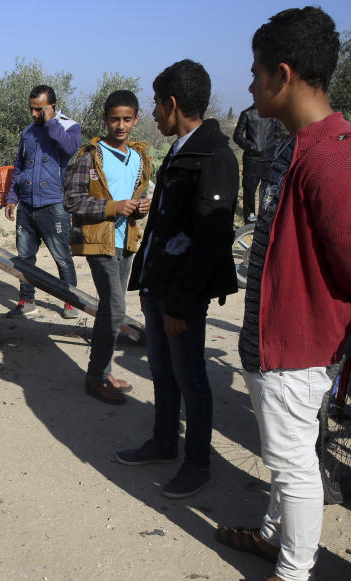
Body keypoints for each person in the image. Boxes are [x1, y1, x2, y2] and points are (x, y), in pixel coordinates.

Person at [216, 8, 351, 581]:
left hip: (296, 343)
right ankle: (273, 535)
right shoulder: (302, 145)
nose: (251, 83)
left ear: (282, 74)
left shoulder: (331, 156)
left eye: (256, 73)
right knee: (288, 453)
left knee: (291, 464)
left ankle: (294, 578)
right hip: (278, 341)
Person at [115, 60, 238, 499]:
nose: (152, 114)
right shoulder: (183, 149)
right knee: (163, 372)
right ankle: (164, 442)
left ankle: (198, 463)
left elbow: (209, 239)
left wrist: (183, 303)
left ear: (172, 103)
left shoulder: (214, 157)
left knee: (191, 378)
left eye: (155, 105)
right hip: (157, 286)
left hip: (180, 295)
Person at [63, 90, 151, 404]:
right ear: (105, 119)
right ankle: (96, 376)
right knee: (115, 310)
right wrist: (114, 207)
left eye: (127, 119)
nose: (121, 125)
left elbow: (136, 194)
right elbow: (72, 201)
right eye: (115, 119)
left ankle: (103, 370)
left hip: (126, 241)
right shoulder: (89, 156)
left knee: (110, 311)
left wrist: (139, 206)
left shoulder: (139, 156)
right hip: (99, 242)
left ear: (137, 118)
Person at [4, 85, 81, 320]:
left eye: (39, 110)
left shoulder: (69, 127)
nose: (34, 115)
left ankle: (71, 300)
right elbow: (19, 166)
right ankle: (27, 300)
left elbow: (71, 147)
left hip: (53, 204)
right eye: (32, 109)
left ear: (52, 107)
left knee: (61, 256)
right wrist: (12, 198)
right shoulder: (27, 132)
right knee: (25, 257)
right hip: (27, 204)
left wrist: (51, 123)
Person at [233, 105, 286, 222]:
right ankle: (249, 219)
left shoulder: (273, 113)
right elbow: (237, 136)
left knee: (270, 191)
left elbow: (279, 135)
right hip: (252, 159)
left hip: (269, 159)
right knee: (249, 190)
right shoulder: (247, 113)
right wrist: (250, 146)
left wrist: (274, 147)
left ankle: (266, 218)